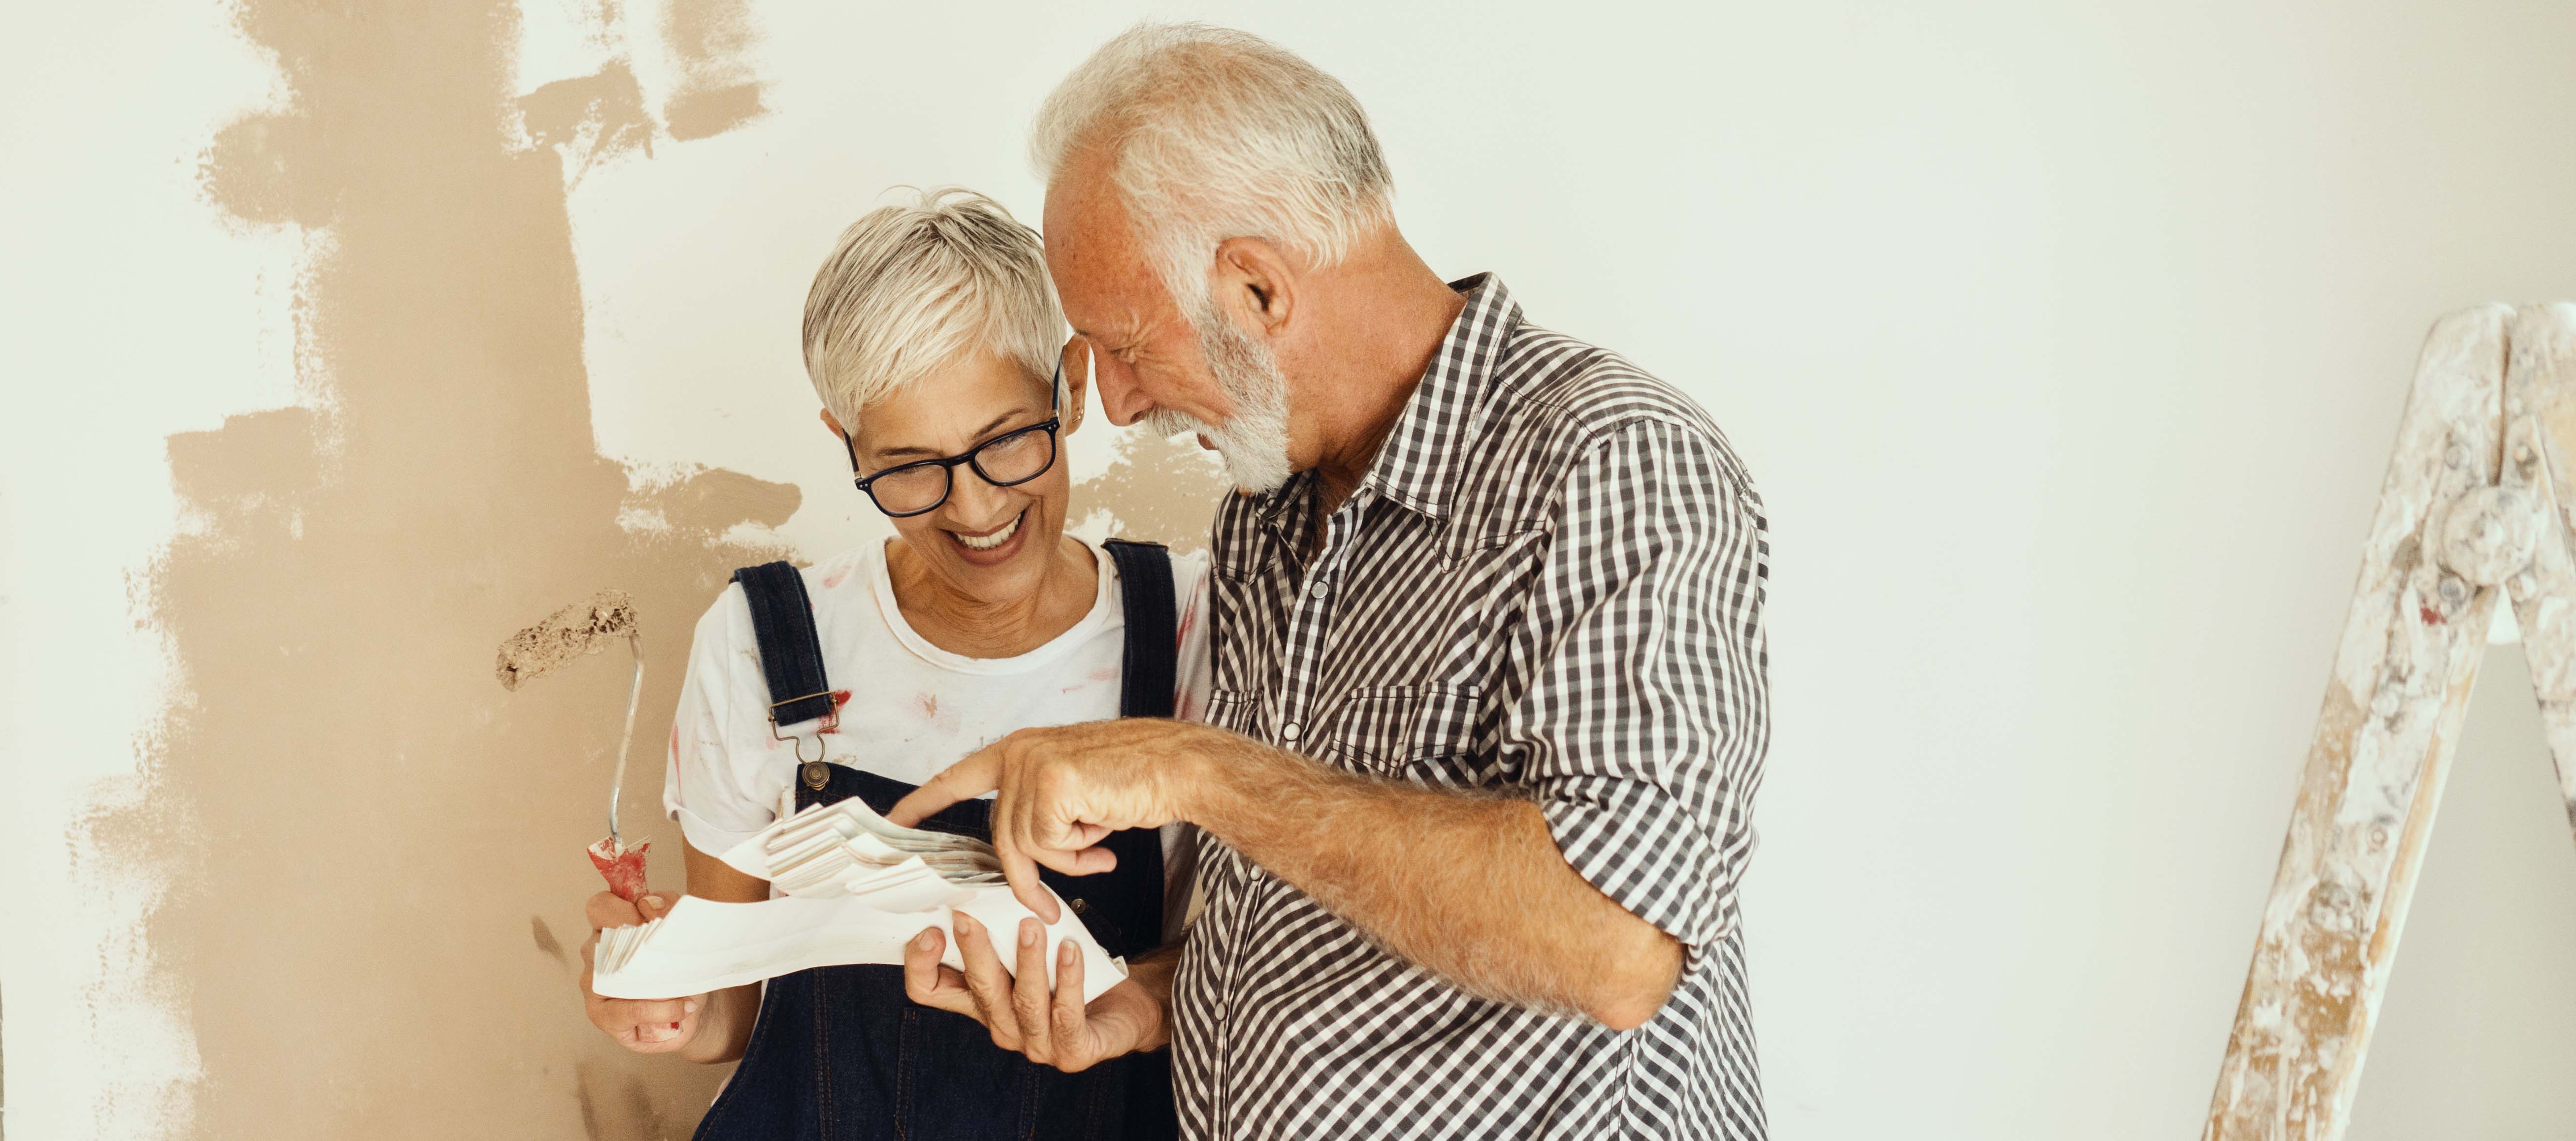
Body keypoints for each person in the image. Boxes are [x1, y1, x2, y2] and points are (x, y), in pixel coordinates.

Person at [887, 24, 1774, 1141]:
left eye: (1124, 344)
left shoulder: (1611, 463)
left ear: (1257, 287)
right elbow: (1334, 898)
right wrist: (1154, 998)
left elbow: (1615, 945)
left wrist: (1197, 769)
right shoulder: (1265, 516)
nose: (1113, 404)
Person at [576, 187, 1203, 1140]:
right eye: (908, 464)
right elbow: (739, 1015)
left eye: (1004, 442)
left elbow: (1260, 982)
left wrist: (1135, 998)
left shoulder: (1197, 627)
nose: (974, 507)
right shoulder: (766, 641)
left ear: (1068, 387)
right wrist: (671, 1001)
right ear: (845, 441)